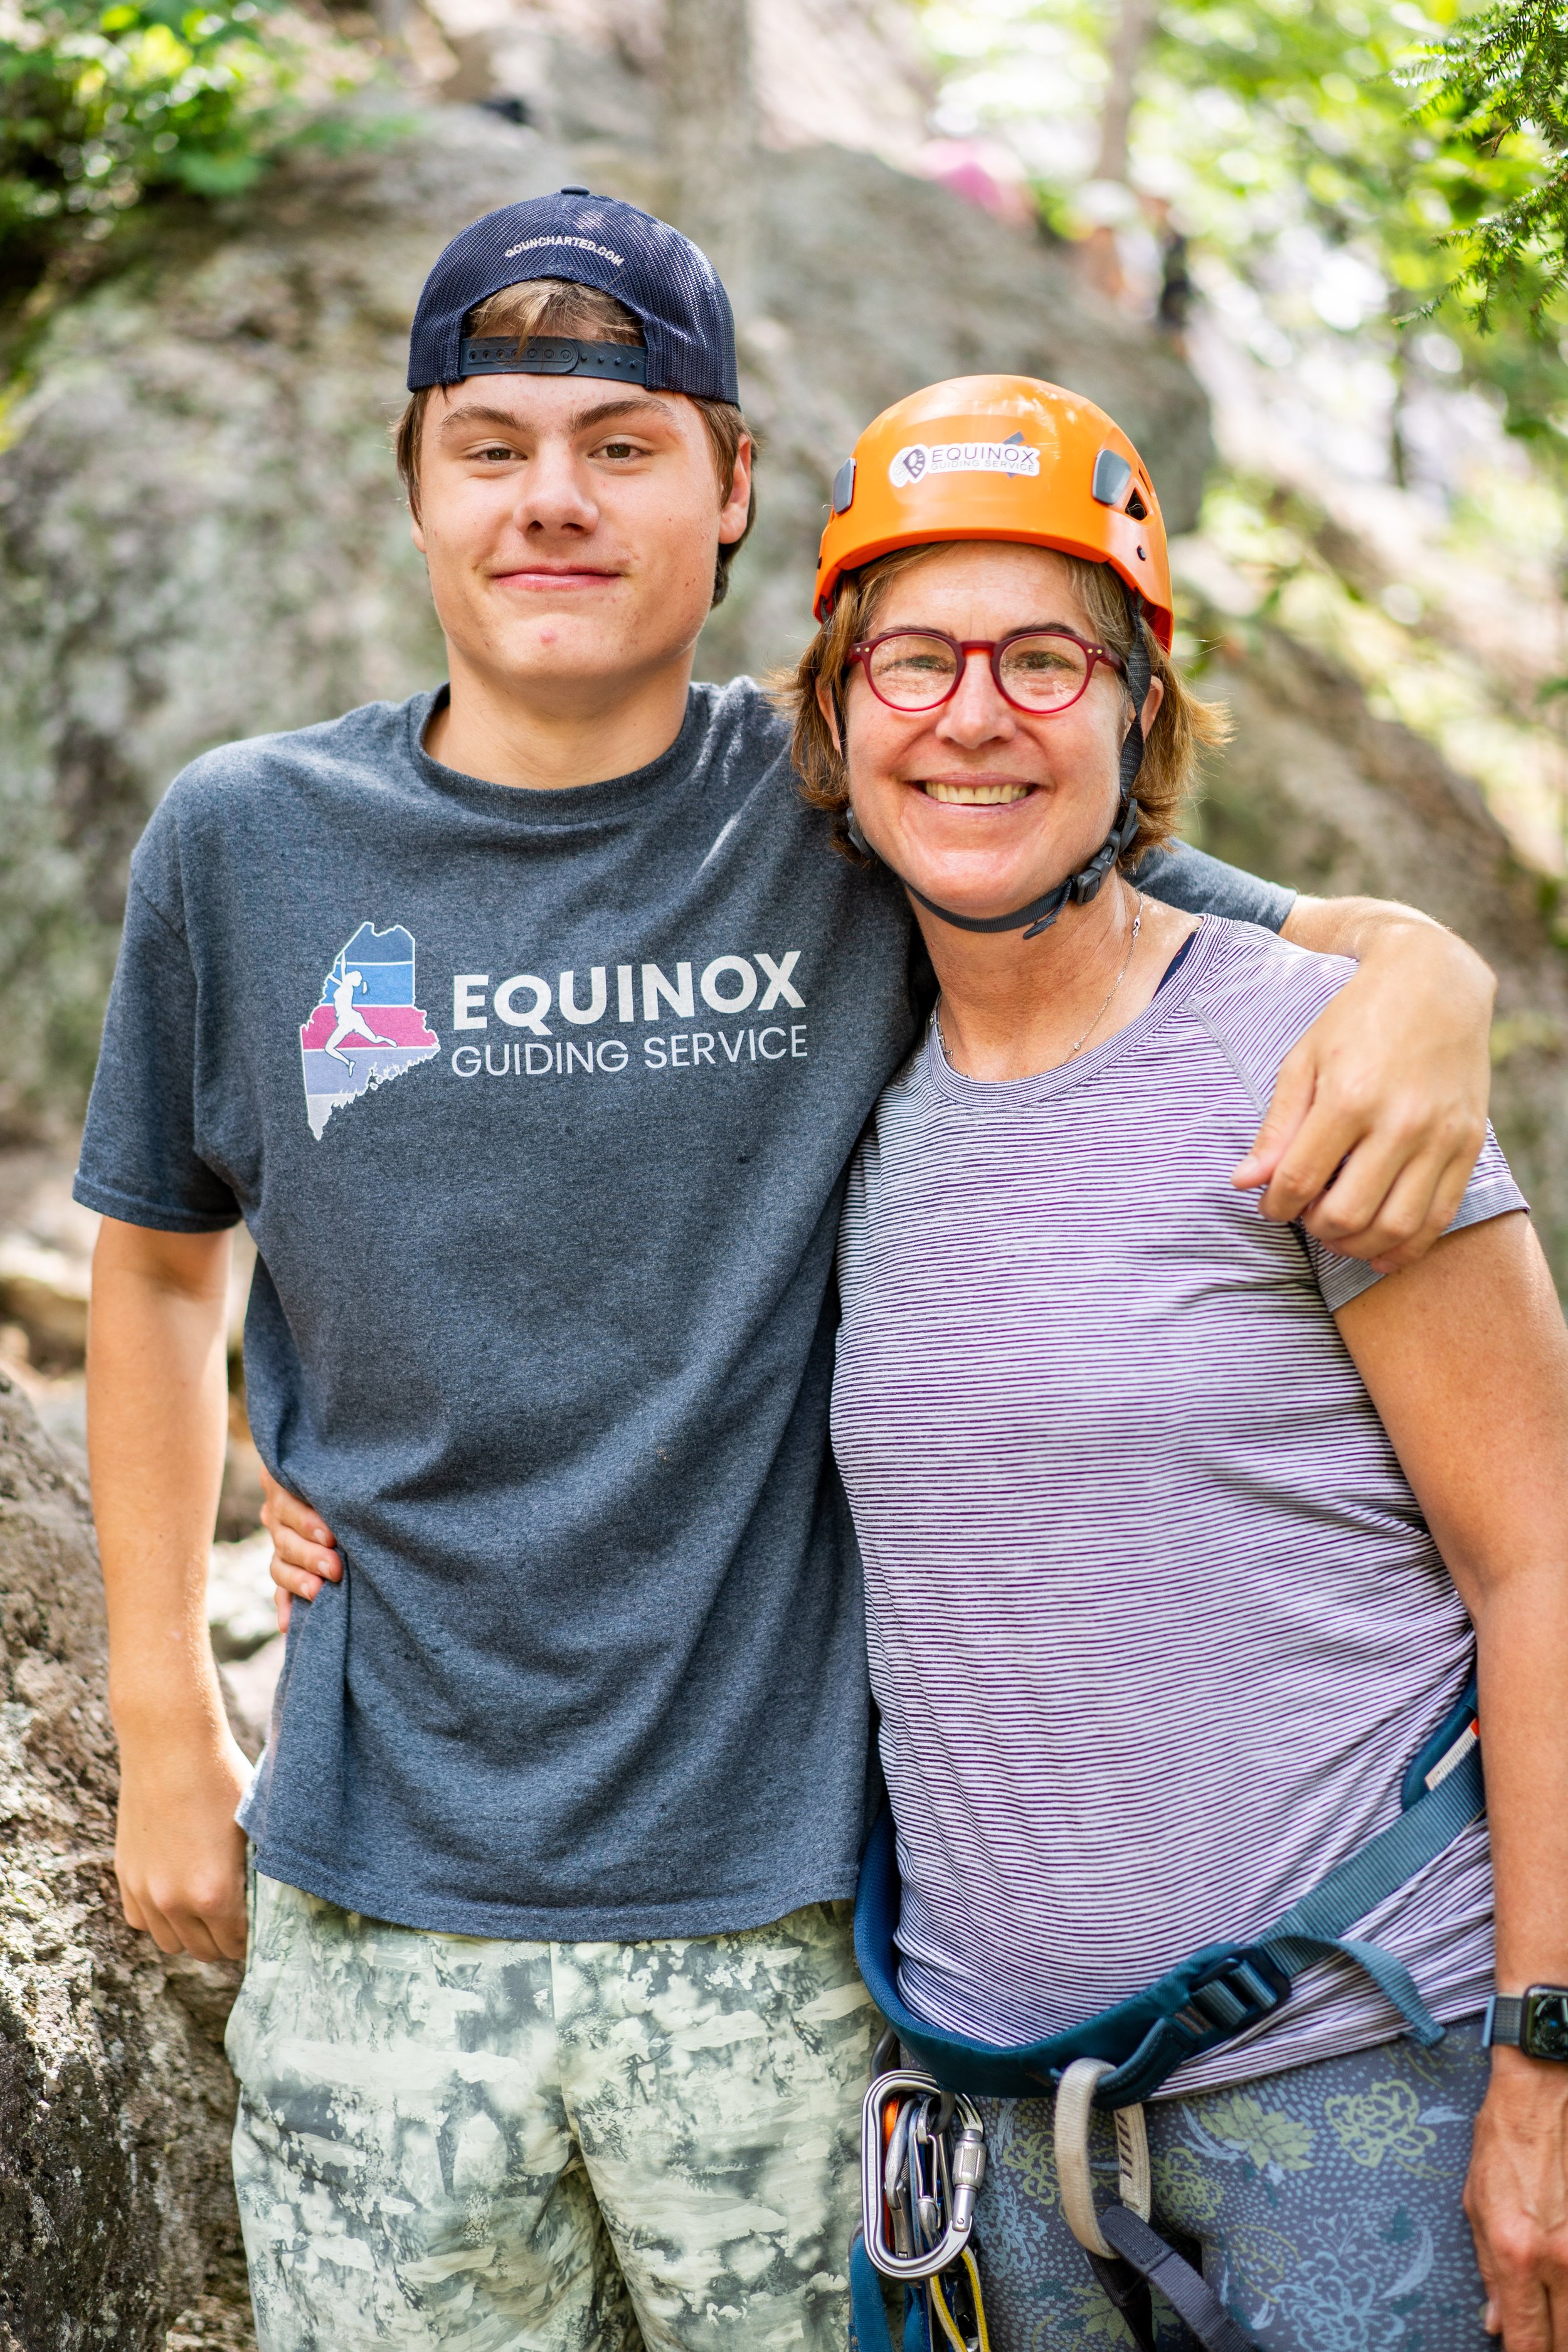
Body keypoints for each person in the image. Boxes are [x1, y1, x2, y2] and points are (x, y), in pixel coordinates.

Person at [81, 184, 1500, 2352]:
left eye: (623, 444)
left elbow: (1204, 910)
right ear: (413, 483)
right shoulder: (248, 841)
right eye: (492, 444)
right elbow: (163, 1265)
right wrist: (167, 1725)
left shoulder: (849, 793)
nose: (553, 501)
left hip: (793, 1938)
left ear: (732, 482)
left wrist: (1432, 962)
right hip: (378, 1897)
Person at [776, 374, 1568, 2352]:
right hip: (997, 2118)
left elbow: (1539, 1561)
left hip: (1360, 2087)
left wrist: (1550, 2058)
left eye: (1045, 660)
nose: (971, 715)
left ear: (1138, 710)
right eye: (916, 660)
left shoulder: (1317, 1056)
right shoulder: (837, 1090)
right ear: (836, 711)